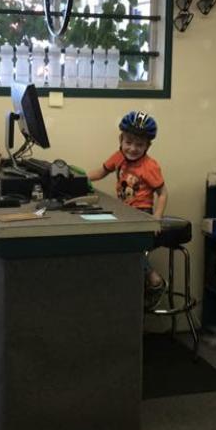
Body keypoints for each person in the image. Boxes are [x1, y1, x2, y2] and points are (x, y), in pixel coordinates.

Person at [88, 111, 167, 306]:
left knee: (128, 246)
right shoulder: (119, 157)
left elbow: (163, 193)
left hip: (141, 213)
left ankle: (154, 280)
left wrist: (156, 218)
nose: (132, 148)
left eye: (139, 144)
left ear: (148, 146)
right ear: (121, 139)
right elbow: (101, 171)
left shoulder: (150, 166)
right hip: (123, 212)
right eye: (129, 142)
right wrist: (79, 179)